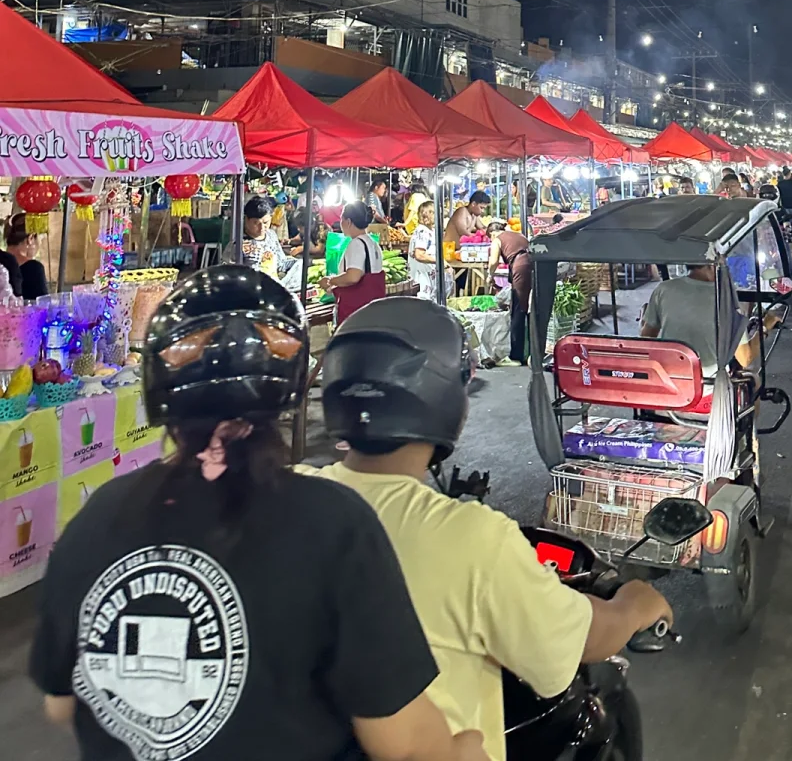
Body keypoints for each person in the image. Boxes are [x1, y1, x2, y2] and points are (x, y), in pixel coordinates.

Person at [29, 266, 485, 761]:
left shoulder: (99, 517)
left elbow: (60, 704)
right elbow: (404, 742)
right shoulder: (331, 523)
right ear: (286, 388)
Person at [311, 299, 672, 761]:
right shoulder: (470, 538)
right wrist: (635, 605)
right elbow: (580, 639)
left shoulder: (294, 501)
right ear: (446, 399)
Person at [641, 260, 724, 376]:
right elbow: (745, 357)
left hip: (670, 378)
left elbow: (647, 338)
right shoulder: (725, 296)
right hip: (710, 384)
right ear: (711, 264)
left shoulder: (663, 289)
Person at [485, 220, 532, 365]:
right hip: (533, 263)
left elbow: (493, 262)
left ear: (492, 234)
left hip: (521, 266)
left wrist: (489, 275)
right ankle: (532, 352)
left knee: (518, 309)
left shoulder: (497, 239)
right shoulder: (518, 235)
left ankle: (515, 356)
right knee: (531, 308)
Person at [334, 202, 388, 324]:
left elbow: (353, 277)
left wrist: (331, 281)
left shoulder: (356, 244)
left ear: (348, 221)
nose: (340, 222)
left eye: (341, 218)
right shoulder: (373, 243)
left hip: (356, 312)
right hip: (372, 310)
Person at [241, 195, 301, 290]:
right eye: (256, 223)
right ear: (246, 219)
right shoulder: (239, 243)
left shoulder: (271, 235)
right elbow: (231, 273)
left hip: (274, 287)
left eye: (265, 223)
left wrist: (297, 264)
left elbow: (280, 263)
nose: (262, 228)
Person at [0, 214, 48, 300]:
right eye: (40, 239)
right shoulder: (34, 268)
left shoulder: (2, 263)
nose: (40, 244)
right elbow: (42, 307)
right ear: (31, 238)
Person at [407, 200, 440, 301]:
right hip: (422, 278)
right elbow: (419, 255)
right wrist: (439, 261)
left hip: (429, 276)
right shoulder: (422, 231)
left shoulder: (431, 230)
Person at [777, 167, 792, 234]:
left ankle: (788, 232)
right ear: (789, 174)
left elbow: (778, 196)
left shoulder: (779, 184)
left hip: (784, 205)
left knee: (787, 219)